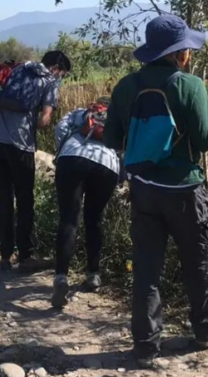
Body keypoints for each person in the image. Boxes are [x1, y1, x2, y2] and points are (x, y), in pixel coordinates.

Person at [103, 15, 208, 368]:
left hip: (143, 188)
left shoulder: (127, 86)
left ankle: (145, 344)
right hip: (185, 190)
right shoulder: (189, 86)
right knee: (197, 263)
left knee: (146, 267)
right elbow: (207, 139)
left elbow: (113, 139)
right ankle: (206, 330)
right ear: (179, 54)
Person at [0, 51, 71, 272]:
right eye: (62, 73)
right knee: (25, 200)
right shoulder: (49, 81)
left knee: (4, 200)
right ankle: (25, 256)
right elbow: (44, 121)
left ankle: (4, 257)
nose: (60, 77)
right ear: (56, 68)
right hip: (20, 145)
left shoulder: (18, 69)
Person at [51, 98, 120, 308]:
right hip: (106, 164)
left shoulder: (81, 112)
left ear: (96, 106)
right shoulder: (119, 121)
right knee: (95, 219)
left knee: (69, 219)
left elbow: (60, 128)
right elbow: (126, 148)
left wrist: (61, 151)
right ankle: (93, 274)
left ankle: (61, 277)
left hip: (72, 156)